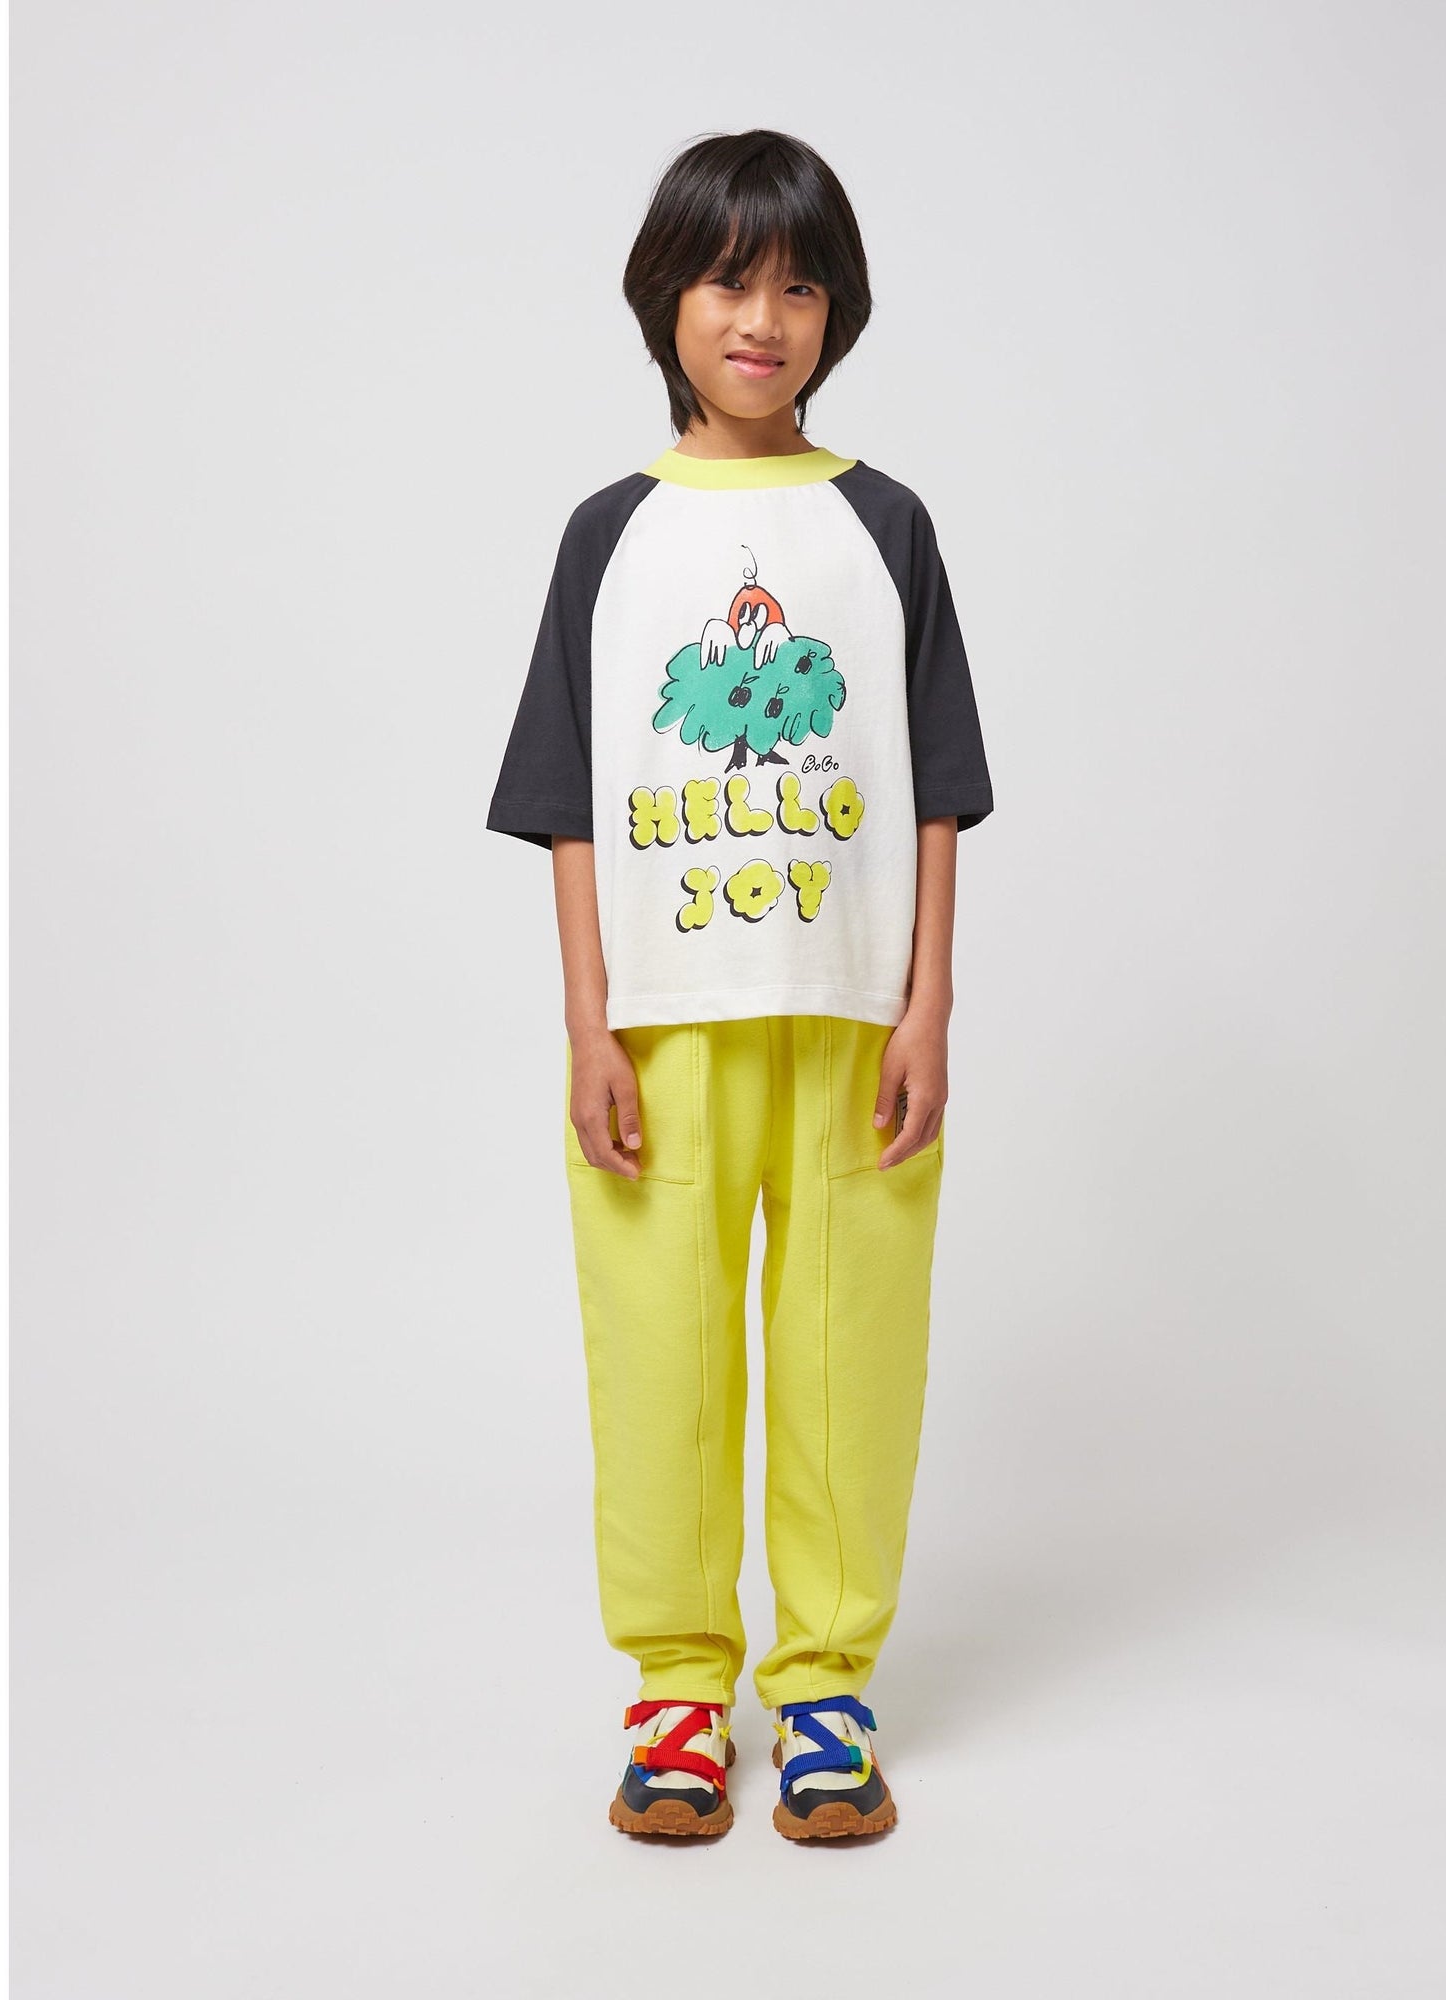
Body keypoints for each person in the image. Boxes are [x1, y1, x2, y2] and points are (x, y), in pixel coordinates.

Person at [485, 128, 995, 1841]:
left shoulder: (884, 524)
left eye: (798, 288)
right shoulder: (611, 535)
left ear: (837, 313)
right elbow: (568, 797)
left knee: (853, 1348)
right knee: (663, 1352)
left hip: (852, 1019)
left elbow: (937, 787)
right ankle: (679, 1690)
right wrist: (588, 1026)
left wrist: (928, 1007)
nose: (762, 320)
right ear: (667, 300)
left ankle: (828, 1685)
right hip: (661, 1024)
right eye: (728, 282)